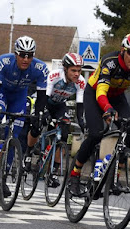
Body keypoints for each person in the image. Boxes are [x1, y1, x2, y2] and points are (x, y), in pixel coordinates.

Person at [69, 32, 130, 196]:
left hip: (117, 96)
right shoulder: (109, 62)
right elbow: (101, 92)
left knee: (129, 129)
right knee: (96, 133)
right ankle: (75, 174)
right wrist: (107, 109)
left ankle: (114, 178)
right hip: (95, 93)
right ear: (122, 50)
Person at [0, 36, 49, 197]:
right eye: (22, 54)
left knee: (14, 136)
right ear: (15, 53)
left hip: (19, 97)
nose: (25, 59)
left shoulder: (40, 67)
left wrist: (38, 114)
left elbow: (42, 94)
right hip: (2, 92)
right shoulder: (4, 61)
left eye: (29, 55)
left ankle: (3, 178)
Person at [24, 52, 86, 186]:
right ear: (65, 69)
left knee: (64, 135)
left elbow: (80, 105)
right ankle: (28, 153)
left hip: (59, 105)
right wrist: (44, 112)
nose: (77, 74)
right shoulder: (54, 76)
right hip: (43, 100)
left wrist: (82, 122)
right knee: (37, 126)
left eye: (79, 71)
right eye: (73, 70)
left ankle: (53, 172)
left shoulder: (81, 82)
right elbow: (44, 97)